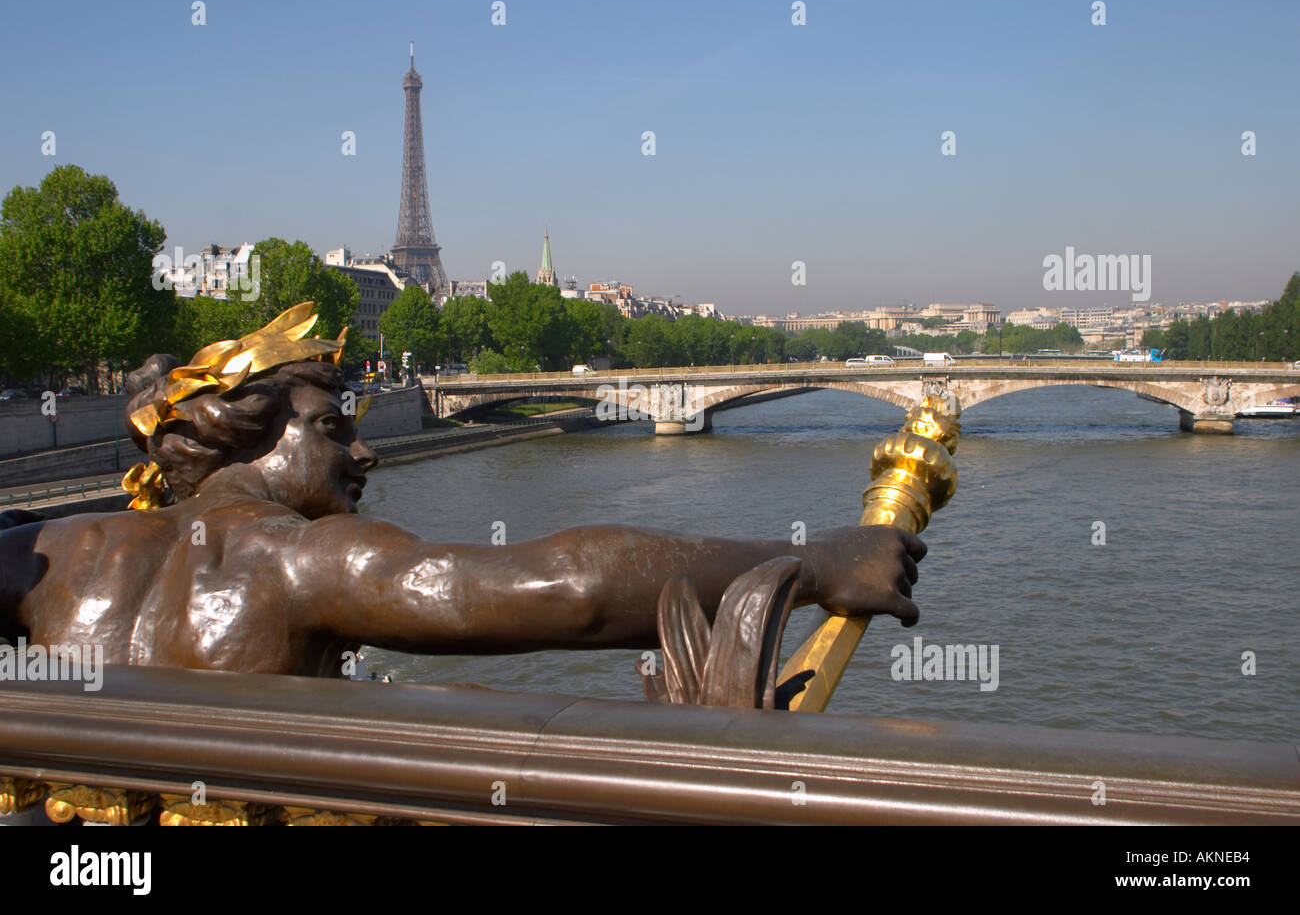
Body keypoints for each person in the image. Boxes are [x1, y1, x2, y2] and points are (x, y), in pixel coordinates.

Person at [0, 304, 926, 678]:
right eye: (335, 427)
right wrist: (813, 562)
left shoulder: (59, 551)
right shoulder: (298, 560)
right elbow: (573, 587)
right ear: (251, 430)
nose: (365, 452)